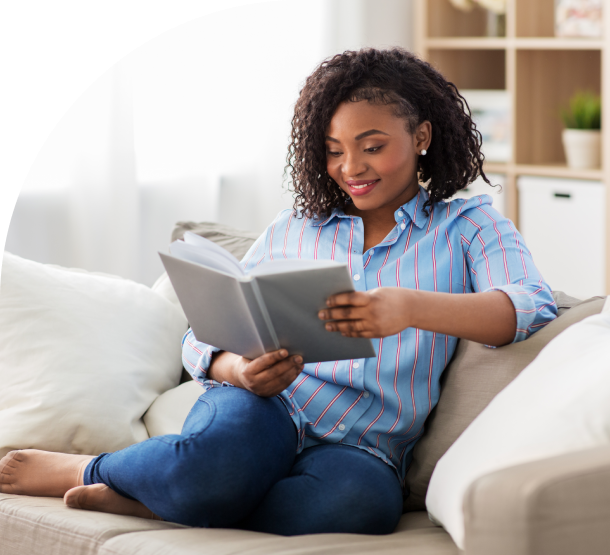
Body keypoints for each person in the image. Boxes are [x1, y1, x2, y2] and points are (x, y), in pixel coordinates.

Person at [0, 47, 557, 535]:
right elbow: (199, 337)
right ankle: (87, 469)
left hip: (364, 447)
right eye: (334, 150)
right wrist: (236, 371)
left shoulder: (469, 227)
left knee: (358, 505)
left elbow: (530, 306)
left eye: (372, 146)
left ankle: (163, 499)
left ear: (421, 137)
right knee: (218, 460)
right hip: (264, 408)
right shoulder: (296, 228)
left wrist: (409, 307)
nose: (351, 168)